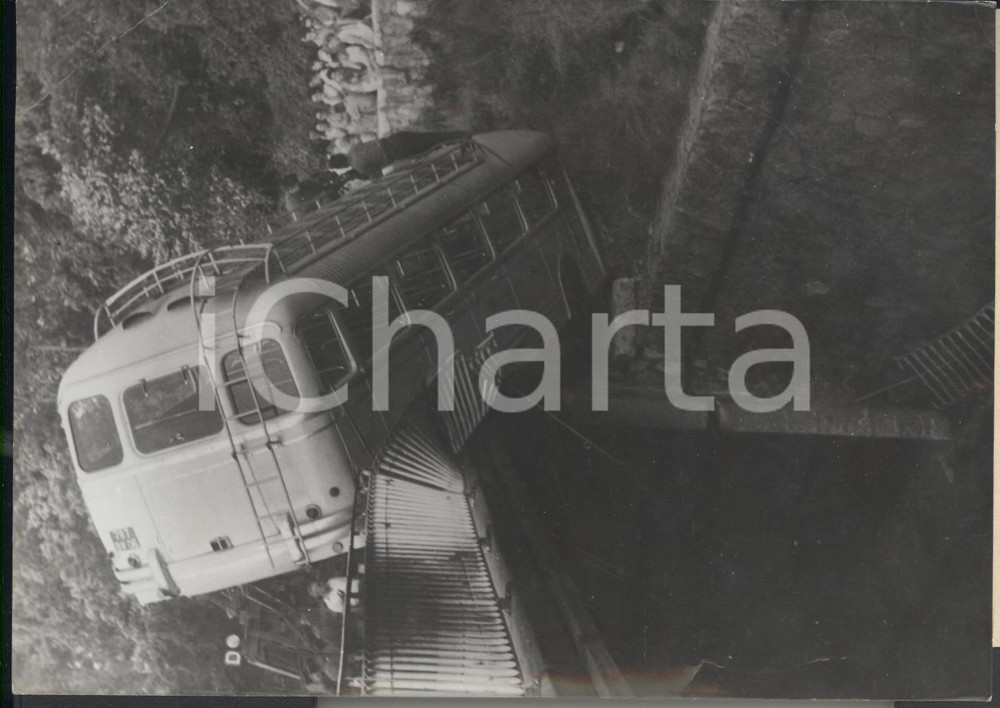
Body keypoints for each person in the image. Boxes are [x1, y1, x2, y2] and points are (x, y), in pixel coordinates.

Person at [328, 130, 471, 179]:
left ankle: (461, 142)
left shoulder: (359, 167)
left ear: (342, 167)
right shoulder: (353, 148)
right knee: (431, 137)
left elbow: (379, 173)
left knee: (431, 148)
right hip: (393, 139)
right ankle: (461, 135)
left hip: (397, 152)